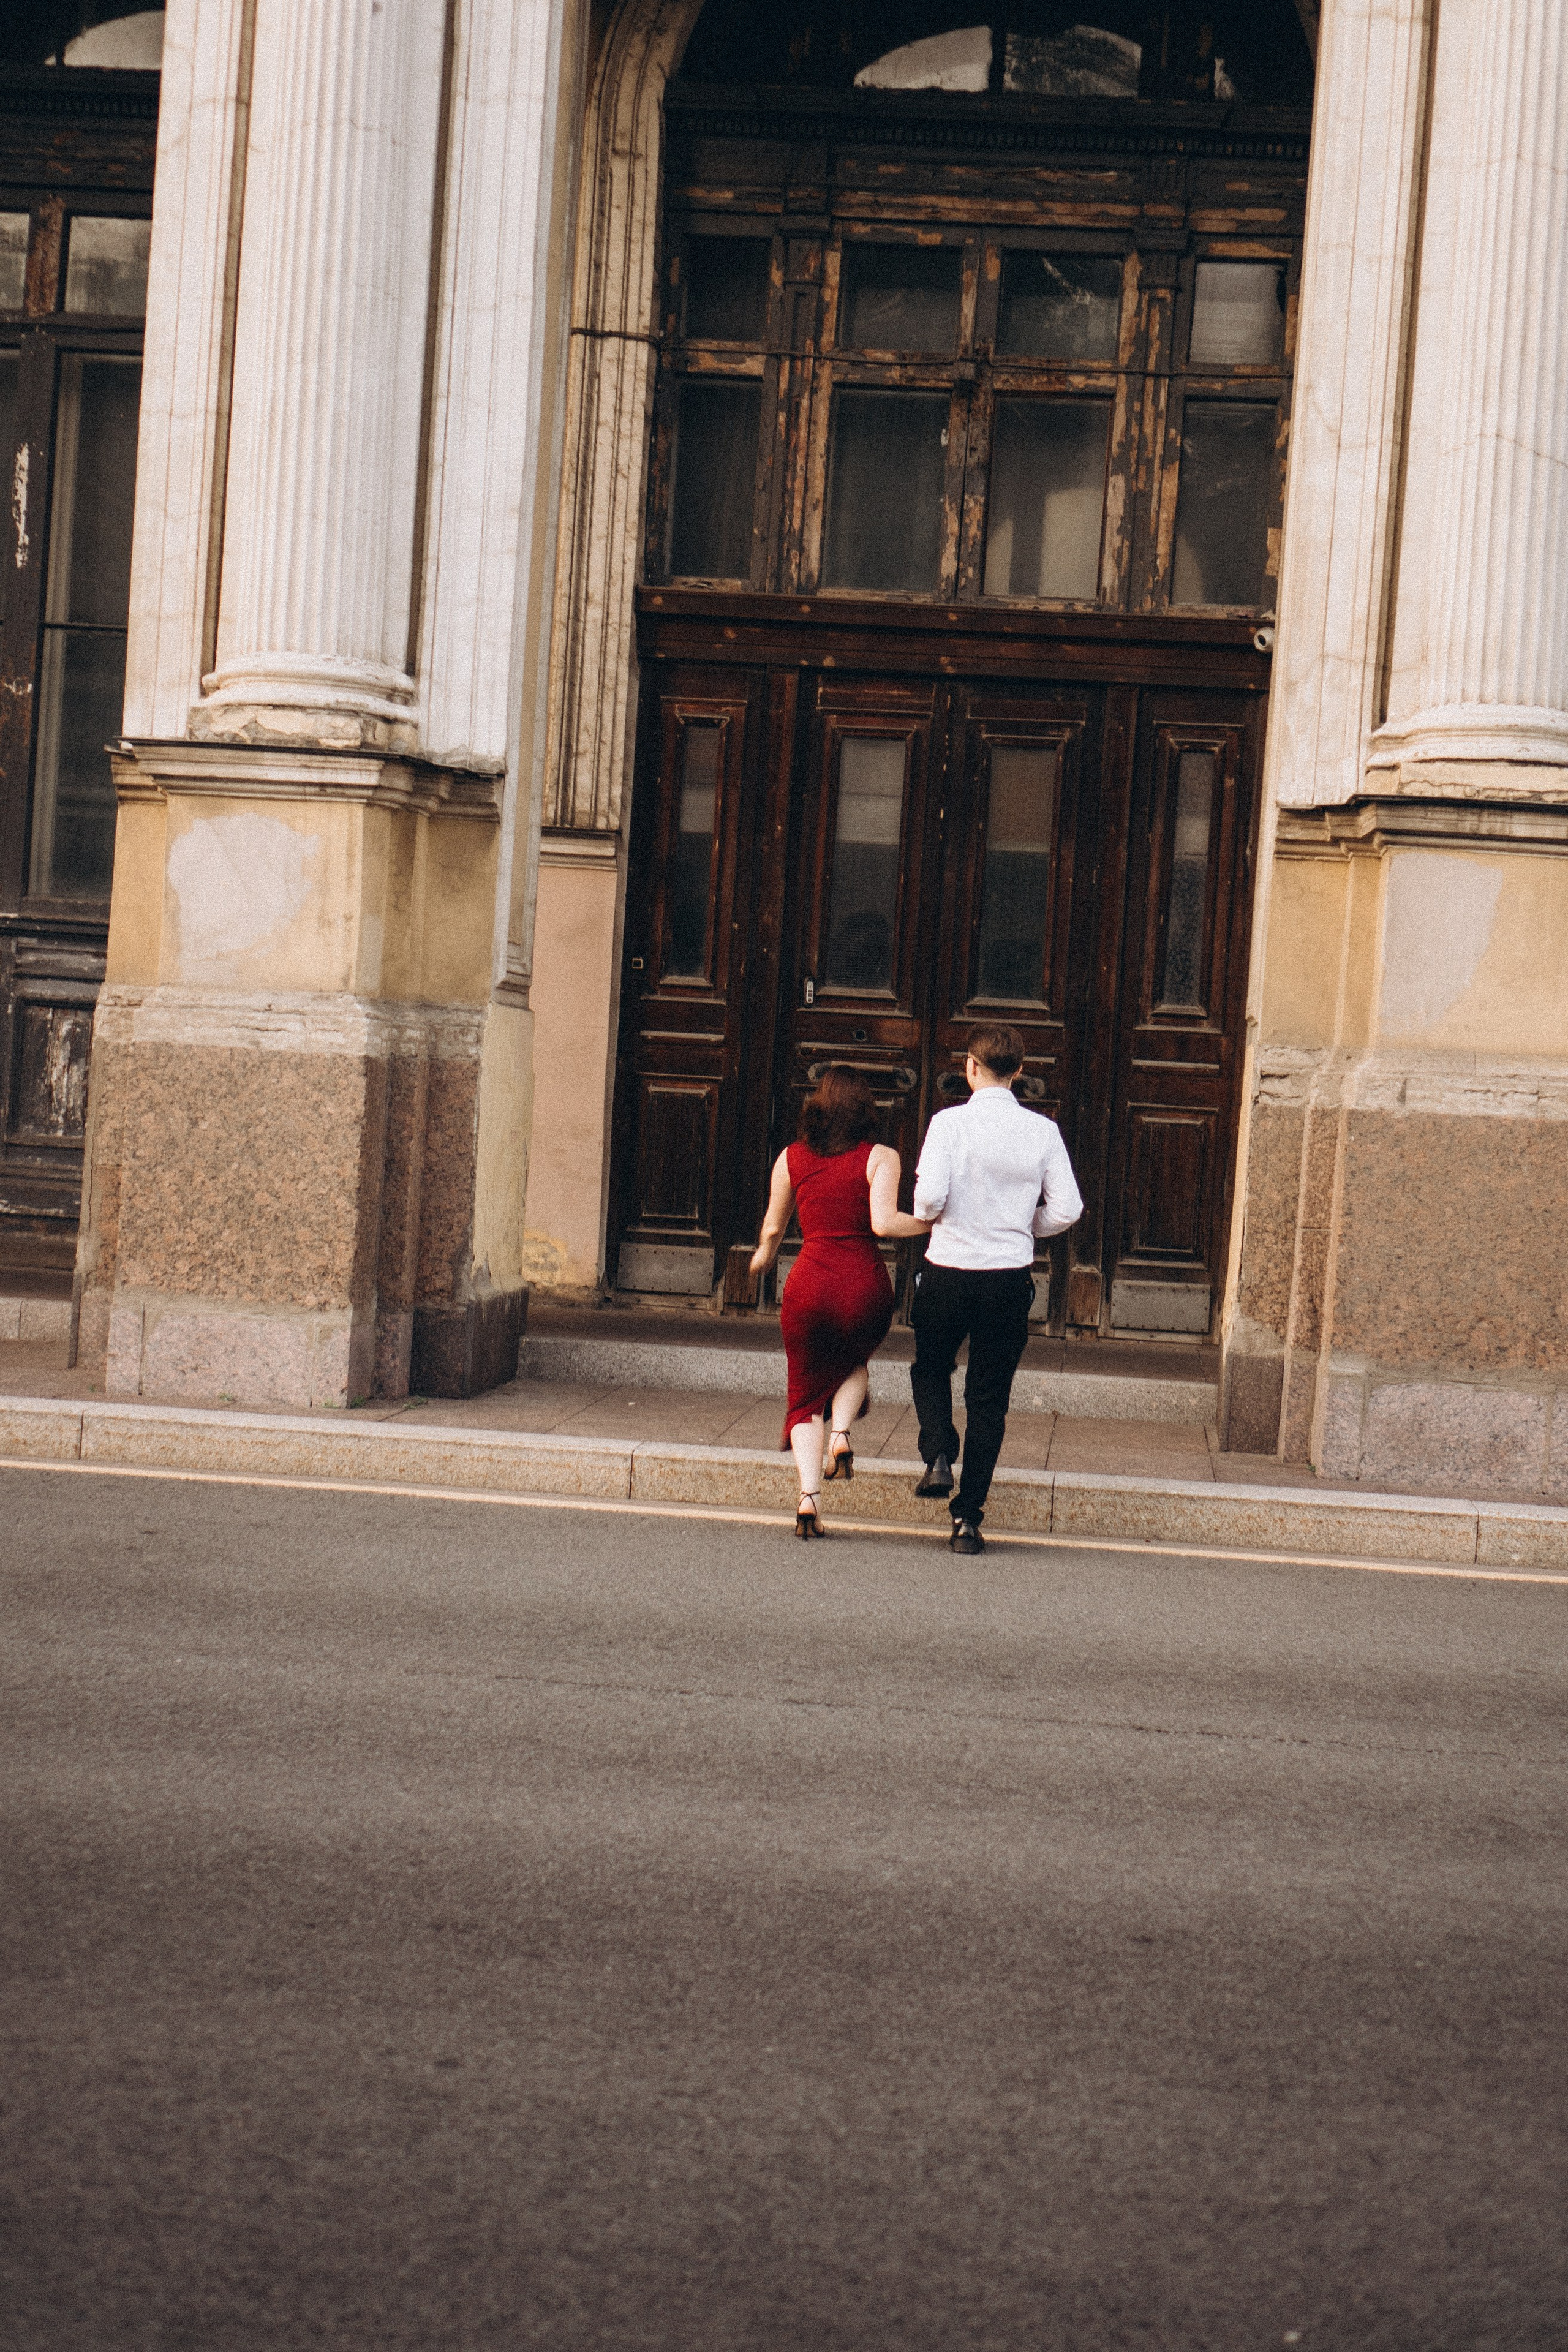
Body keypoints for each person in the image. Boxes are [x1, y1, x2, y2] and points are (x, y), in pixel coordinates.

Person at [910, 1023, 1083, 1556]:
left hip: (948, 1269)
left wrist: (930, 1215)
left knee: (931, 1366)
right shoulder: (1042, 1132)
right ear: (1020, 1071)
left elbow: (929, 1200)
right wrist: (1024, 1226)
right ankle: (968, 1521)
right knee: (989, 1399)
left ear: (970, 1067)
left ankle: (939, 1454)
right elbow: (1068, 1209)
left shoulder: (948, 1123)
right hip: (1007, 1278)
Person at [750, 1065, 932, 1539]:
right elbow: (885, 1224)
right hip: (863, 1285)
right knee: (854, 1359)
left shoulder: (790, 1158)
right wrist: (935, 1224)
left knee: (805, 1394)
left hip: (809, 1284)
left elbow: (772, 1228)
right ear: (865, 1111)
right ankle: (843, 1436)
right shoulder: (881, 1157)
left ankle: (809, 1497)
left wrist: (763, 1257)